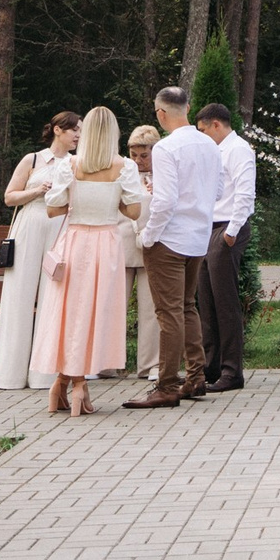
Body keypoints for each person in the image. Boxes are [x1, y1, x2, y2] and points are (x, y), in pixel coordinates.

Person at [30, 106, 146, 415]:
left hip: (75, 241)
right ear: (113, 133)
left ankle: (61, 383)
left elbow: (53, 208)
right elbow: (135, 211)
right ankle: (78, 386)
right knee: (92, 314)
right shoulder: (124, 167)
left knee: (69, 313)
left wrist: (78, 200)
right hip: (105, 244)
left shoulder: (70, 165)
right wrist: (114, 203)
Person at [125, 86, 215, 408]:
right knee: (187, 307)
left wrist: (149, 235)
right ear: (188, 107)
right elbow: (215, 191)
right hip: (198, 238)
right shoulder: (210, 144)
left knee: (169, 313)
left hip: (169, 240)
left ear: (161, 114)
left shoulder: (165, 148)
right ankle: (196, 376)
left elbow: (164, 200)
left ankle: (166, 385)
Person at [0, 112, 80, 390]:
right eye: (73, 130)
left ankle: (46, 374)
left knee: (53, 297)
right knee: (19, 296)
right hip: (29, 225)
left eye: (80, 131)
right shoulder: (33, 159)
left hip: (60, 228)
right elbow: (9, 197)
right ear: (57, 130)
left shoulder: (77, 164)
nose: (78, 135)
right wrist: (38, 191)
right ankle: (9, 374)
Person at [194, 102, 254, 393]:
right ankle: (211, 366)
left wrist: (231, 233)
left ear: (216, 125)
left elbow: (244, 192)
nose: (202, 135)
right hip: (209, 227)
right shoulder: (214, 151)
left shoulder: (239, 149)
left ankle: (232, 372)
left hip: (228, 227)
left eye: (204, 130)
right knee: (206, 300)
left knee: (225, 302)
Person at [120, 126, 160, 379]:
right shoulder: (123, 171)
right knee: (114, 306)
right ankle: (106, 364)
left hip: (152, 245)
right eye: (134, 154)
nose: (138, 160)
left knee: (151, 309)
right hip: (123, 242)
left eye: (144, 155)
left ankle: (151, 365)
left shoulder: (166, 174)